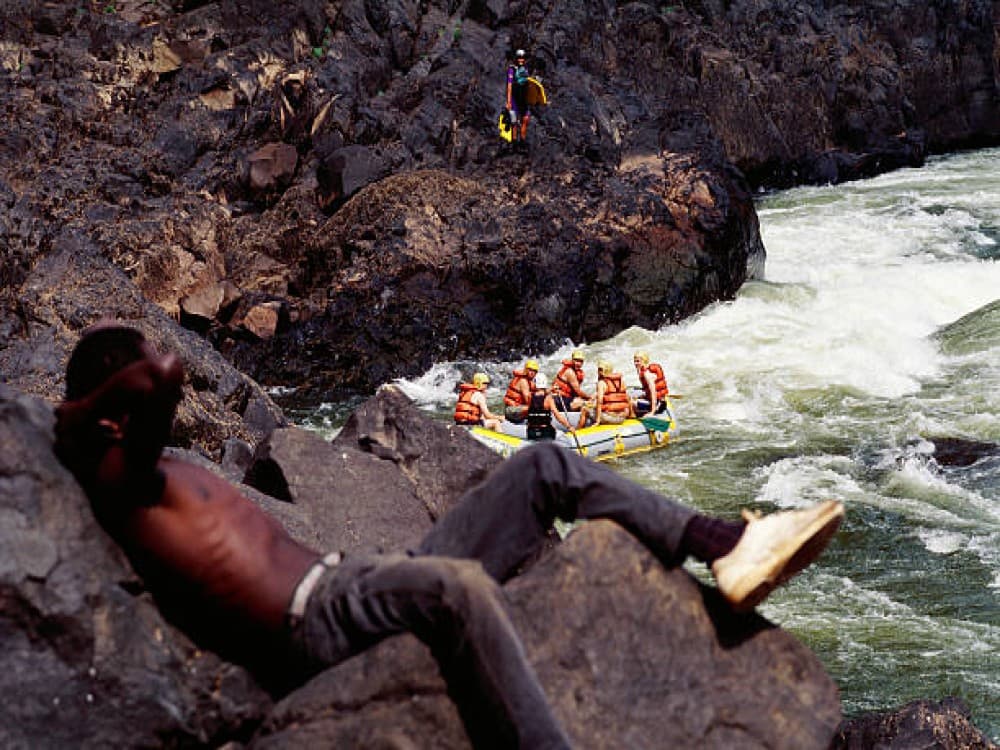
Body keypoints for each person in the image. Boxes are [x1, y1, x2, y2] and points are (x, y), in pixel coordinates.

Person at [54, 324, 845, 750]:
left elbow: (153, 382)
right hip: (314, 623)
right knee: (458, 589)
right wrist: (85, 408)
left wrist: (102, 399)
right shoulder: (121, 486)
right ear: (103, 414)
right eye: (116, 404)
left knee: (541, 466)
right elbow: (160, 379)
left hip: (357, 580)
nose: (144, 402)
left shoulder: (156, 470)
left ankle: (722, 544)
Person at [576, 361, 634, 429]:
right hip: (622, 418)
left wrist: (597, 421)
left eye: (600, 369)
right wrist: (631, 414)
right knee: (593, 406)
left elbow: (599, 401)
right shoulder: (621, 382)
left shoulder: (601, 383)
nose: (598, 372)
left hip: (610, 418)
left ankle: (578, 432)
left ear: (604, 371)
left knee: (584, 409)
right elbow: (628, 398)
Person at [524, 373, 575, 440]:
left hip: (531, 432)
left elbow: (539, 396)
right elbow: (557, 415)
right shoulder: (548, 399)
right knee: (560, 434)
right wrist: (569, 427)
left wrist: (552, 389)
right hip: (545, 432)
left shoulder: (529, 396)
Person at [505, 49, 532, 151]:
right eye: (519, 58)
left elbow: (529, 84)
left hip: (523, 99)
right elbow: (509, 86)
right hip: (514, 98)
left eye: (522, 58)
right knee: (514, 121)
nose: (521, 60)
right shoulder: (512, 70)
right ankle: (514, 142)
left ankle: (523, 141)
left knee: (525, 119)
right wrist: (508, 101)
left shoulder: (526, 70)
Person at [633, 351, 669, 417]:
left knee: (631, 404)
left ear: (644, 361)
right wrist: (644, 396)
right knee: (633, 399)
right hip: (660, 402)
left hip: (658, 405)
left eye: (638, 361)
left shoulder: (647, 374)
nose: (635, 363)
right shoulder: (644, 370)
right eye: (634, 361)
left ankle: (634, 415)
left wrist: (652, 412)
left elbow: (653, 393)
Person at [503, 359, 539, 423]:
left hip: (516, 408)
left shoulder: (529, 381)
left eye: (534, 371)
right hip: (512, 410)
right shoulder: (523, 381)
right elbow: (528, 400)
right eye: (530, 370)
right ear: (526, 370)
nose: (532, 372)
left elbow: (538, 390)